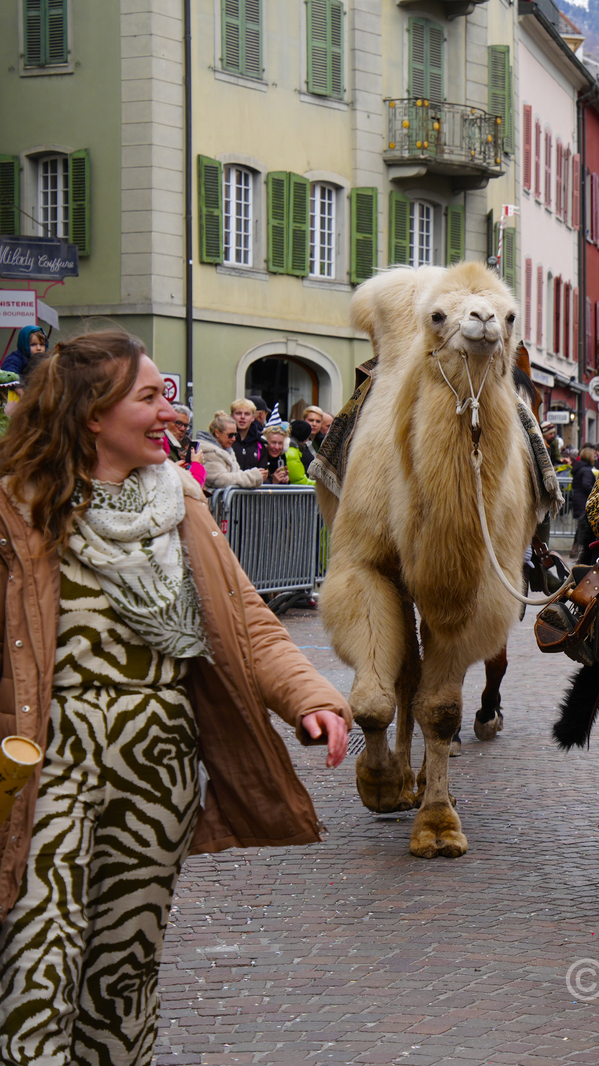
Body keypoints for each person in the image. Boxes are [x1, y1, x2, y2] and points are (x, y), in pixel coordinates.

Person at [0, 329, 350, 1065]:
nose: (173, 412)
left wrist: (310, 699)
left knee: (123, 969)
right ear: (93, 414)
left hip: (158, 765)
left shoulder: (181, 502)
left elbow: (246, 620)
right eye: (151, 397)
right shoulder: (17, 509)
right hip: (50, 763)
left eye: (171, 396)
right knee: (40, 956)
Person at [197, 411, 265, 492]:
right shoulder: (207, 451)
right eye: (230, 435)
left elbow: (235, 473)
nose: (234, 439)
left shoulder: (227, 450)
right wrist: (253, 476)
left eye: (235, 435)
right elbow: (220, 480)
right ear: (217, 433)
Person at [165, 403, 206, 489]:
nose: (182, 429)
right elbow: (192, 488)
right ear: (166, 422)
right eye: (178, 423)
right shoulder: (162, 444)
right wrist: (196, 465)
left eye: (186, 425)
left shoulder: (174, 445)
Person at [230, 398, 263, 470]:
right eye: (238, 413)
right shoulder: (225, 441)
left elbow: (263, 474)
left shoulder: (260, 444)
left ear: (253, 418)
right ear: (232, 416)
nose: (242, 417)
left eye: (247, 414)